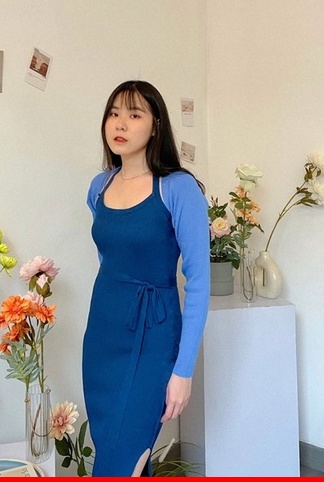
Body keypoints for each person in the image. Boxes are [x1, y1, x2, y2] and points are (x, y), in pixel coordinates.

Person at [82, 80, 210, 477]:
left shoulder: (179, 188)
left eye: (134, 114)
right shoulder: (99, 187)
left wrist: (183, 371)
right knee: (115, 451)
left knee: (124, 459)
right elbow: (110, 258)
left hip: (154, 335)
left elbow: (199, 282)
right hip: (103, 335)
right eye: (114, 113)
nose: (120, 123)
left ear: (156, 126)